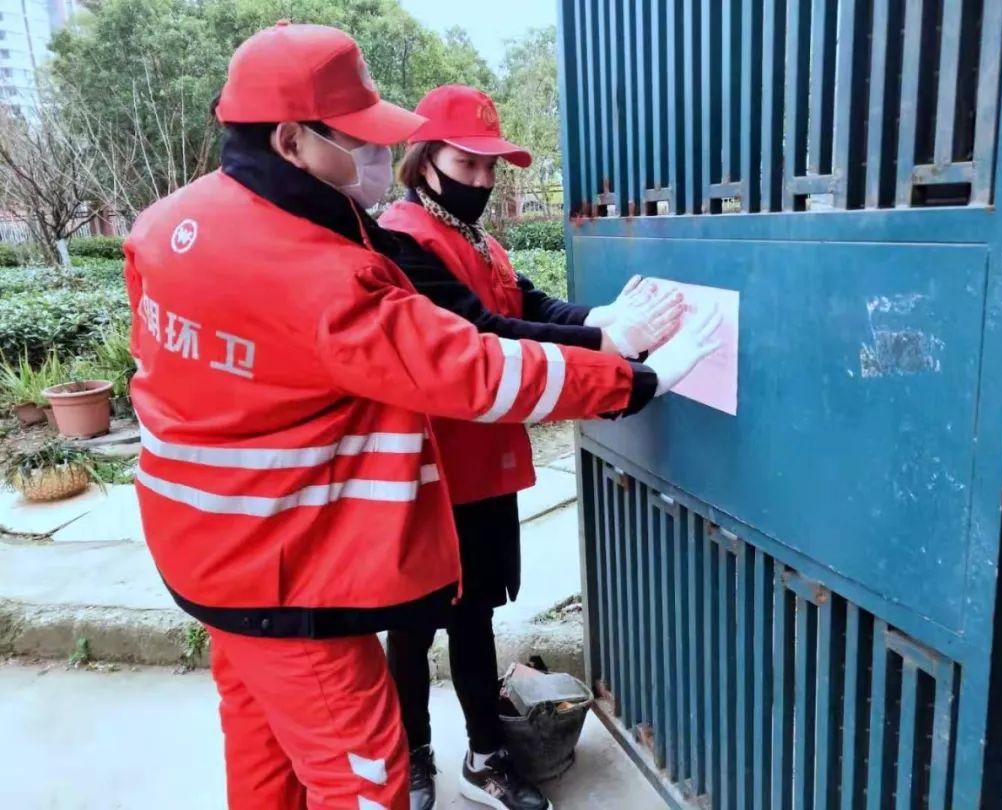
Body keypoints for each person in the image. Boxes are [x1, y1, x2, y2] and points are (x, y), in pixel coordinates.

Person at [123, 24, 724, 810]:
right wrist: (632, 380)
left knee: (265, 751)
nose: (376, 157)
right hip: (287, 571)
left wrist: (599, 329)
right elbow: (469, 363)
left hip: (203, 549)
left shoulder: (167, 224)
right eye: (361, 140)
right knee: (361, 776)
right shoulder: (319, 270)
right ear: (291, 140)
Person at [379, 85, 706, 810]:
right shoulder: (397, 239)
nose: (484, 182)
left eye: (493, 167)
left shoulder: (478, 242)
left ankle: (486, 755)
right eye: (469, 164)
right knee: (410, 624)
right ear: (425, 159)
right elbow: (477, 331)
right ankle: (413, 753)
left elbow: (528, 308)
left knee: (474, 620)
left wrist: (604, 317)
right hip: (424, 470)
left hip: (484, 466)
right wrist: (606, 344)